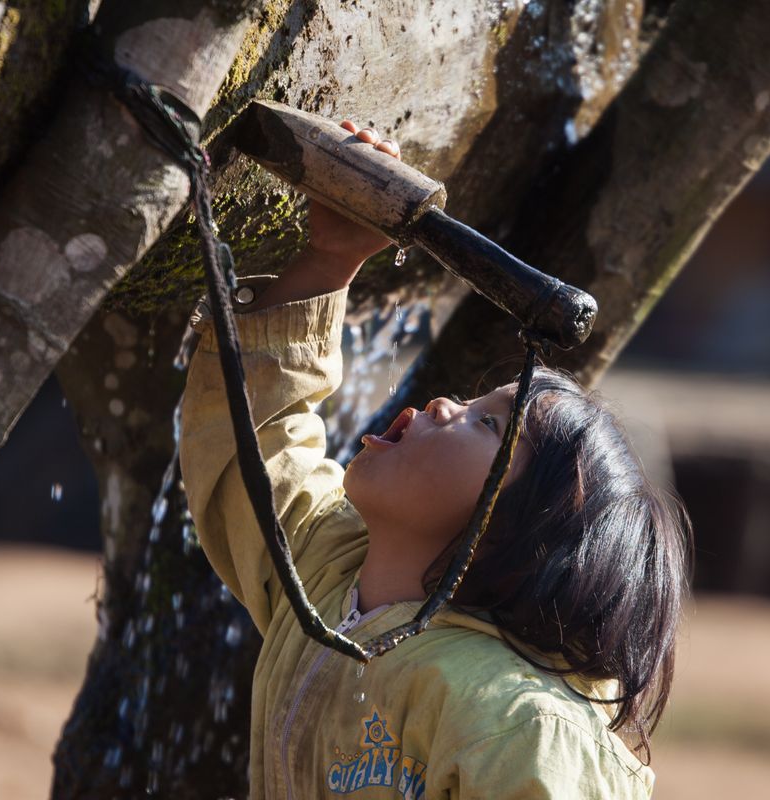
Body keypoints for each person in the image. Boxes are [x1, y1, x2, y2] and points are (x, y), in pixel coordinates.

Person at [179, 121, 691, 799]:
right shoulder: (324, 583)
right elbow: (255, 440)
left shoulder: (518, 722)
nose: (447, 403)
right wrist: (331, 258)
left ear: (523, 530)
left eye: (489, 424)